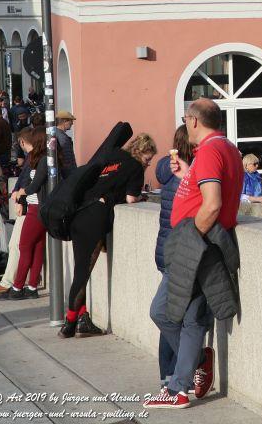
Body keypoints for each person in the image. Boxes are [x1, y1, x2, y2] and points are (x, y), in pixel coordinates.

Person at [146, 98, 244, 411]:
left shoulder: (213, 149)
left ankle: (179, 386)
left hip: (197, 247)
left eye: (186, 118)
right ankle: (190, 372)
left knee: (170, 313)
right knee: (180, 317)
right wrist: (187, 174)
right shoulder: (222, 147)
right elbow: (205, 192)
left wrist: (191, 238)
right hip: (201, 245)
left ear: (193, 120)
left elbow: (212, 203)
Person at [59, 133, 153, 338]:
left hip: (79, 214)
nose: (148, 163)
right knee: (83, 273)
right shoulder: (135, 167)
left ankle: (82, 318)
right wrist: (141, 196)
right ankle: (69, 323)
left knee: (81, 269)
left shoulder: (113, 156)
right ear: (141, 152)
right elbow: (130, 199)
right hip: (95, 218)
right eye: (148, 159)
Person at [153, 126, 191, 384]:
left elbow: (160, 171)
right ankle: (190, 364)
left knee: (168, 313)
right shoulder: (189, 172)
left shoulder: (167, 168)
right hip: (182, 252)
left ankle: (167, 373)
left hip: (164, 250)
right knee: (175, 316)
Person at [0, 127, 47, 300]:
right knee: (37, 248)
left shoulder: (41, 160)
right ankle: (32, 287)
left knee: (24, 247)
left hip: (35, 209)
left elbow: (34, 184)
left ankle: (17, 288)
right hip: (39, 209)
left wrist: (20, 194)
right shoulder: (42, 159)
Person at [55, 110, 77, 179]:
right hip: (67, 174)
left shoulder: (55, 133)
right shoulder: (63, 137)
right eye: (71, 121)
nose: (72, 123)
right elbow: (68, 159)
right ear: (64, 121)